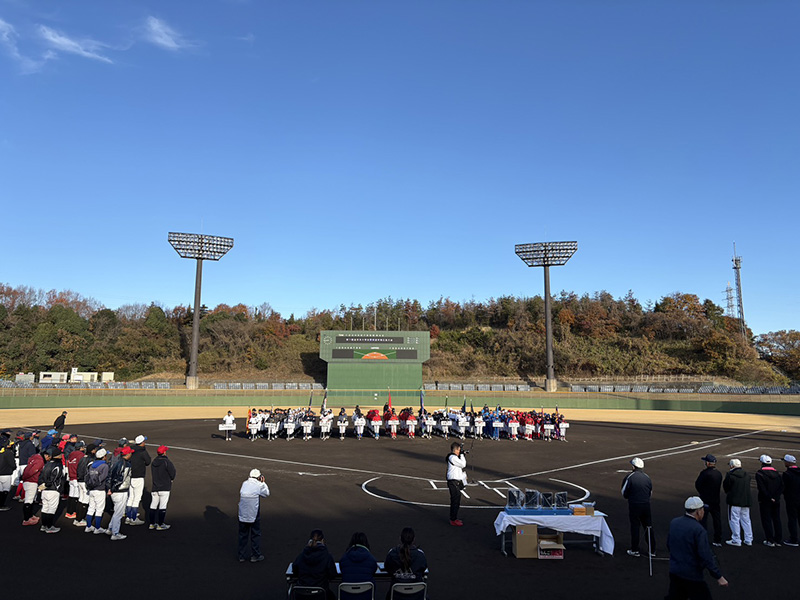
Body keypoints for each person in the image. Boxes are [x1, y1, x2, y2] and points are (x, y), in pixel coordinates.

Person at [665, 496, 729, 599]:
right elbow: (705, 555)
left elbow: (669, 544)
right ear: (698, 511)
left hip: (675, 571)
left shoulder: (674, 522)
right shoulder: (699, 530)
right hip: (692, 575)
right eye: (703, 509)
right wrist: (718, 576)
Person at [621, 457, 655, 557]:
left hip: (634, 505)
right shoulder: (647, 477)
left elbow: (624, 492)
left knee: (635, 526)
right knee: (648, 526)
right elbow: (650, 492)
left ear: (633, 467)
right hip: (646, 505)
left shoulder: (630, 477)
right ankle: (652, 550)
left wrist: (629, 497)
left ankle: (635, 549)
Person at [292, 529, 337, 599]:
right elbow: (332, 574)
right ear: (322, 541)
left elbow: (295, 569)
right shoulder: (327, 556)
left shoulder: (301, 555)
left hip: (301, 593)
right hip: (320, 593)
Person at [384, 527, 427, 600]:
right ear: (414, 540)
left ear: (400, 539)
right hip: (417, 596)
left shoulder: (392, 553)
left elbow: (387, 568)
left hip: (396, 596)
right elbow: (423, 569)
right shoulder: (420, 555)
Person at [238, 468, 270, 562]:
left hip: (242, 514)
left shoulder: (244, 483)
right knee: (255, 534)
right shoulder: (259, 485)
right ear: (259, 477)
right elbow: (266, 494)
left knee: (243, 535)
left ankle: (241, 556)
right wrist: (263, 483)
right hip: (254, 514)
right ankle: (255, 555)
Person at [339, 531, 378, 600]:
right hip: (366, 596)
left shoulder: (344, 558)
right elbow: (373, 571)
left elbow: (342, 570)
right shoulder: (371, 559)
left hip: (346, 596)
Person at [694, 453, 722, 547]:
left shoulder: (705, 473)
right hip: (716, 500)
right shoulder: (718, 473)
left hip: (705, 500)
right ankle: (718, 539)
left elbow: (698, 484)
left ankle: (703, 539)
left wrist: (702, 493)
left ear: (708, 463)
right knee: (717, 520)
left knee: (703, 520)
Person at [723, 458, 753, 546]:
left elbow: (726, 487)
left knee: (734, 520)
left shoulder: (730, 475)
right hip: (746, 500)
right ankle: (748, 539)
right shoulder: (747, 475)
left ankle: (736, 539)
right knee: (746, 520)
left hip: (734, 501)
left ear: (732, 466)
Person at [755, 454, 783, 546]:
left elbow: (762, 488)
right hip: (776, 500)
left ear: (762, 463)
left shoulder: (759, 474)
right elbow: (781, 487)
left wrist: (769, 497)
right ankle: (778, 540)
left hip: (765, 500)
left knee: (766, 520)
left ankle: (770, 540)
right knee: (776, 519)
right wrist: (775, 497)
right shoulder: (777, 474)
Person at [107, 445, 133, 540]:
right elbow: (121, 479)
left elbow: (110, 476)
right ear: (128, 454)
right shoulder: (126, 465)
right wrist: (115, 488)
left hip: (115, 491)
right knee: (119, 513)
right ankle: (115, 533)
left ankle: (110, 528)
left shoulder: (117, 462)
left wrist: (110, 488)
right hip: (120, 491)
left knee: (116, 512)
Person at [149, 445, 176, 530]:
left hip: (155, 487)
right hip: (164, 487)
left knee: (153, 505)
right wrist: (171, 479)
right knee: (162, 506)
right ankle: (160, 524)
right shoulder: (166, 462)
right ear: (164, 452)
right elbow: (173, 472)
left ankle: (152, 524)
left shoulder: (154, 462)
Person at [38, 446, 63, 533]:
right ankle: (49, 527)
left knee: (45, 508)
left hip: (45, 491)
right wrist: (47, 484)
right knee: (51, 509)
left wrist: (42, 486)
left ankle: (44, 526)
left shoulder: (47, 464)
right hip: (53, 490)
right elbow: (54, 478)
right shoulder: (58, 465)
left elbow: (41, 477)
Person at [85, 447, 110, 534]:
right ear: (103, 457)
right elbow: (104, 478)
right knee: (99, 509)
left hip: (91, 489)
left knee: (91, 507)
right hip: (100, 490)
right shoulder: (104, 466)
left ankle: (88, 526)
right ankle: (97, 528)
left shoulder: (92, 465)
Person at [126, 434, 150, 525]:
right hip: (139, 477)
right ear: (142, 443)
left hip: (130, 476)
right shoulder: (143, 452)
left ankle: (128, 517)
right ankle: (133, 518)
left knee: (131, 497)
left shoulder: (131, 450)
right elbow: (148, 462)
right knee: (136, 498)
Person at [446, 441, 467, 526]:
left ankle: (454, 518)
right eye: (459, 450)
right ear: (455, 450)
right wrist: (462, 455)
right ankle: (453, 519)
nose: (459, 451)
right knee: (455, 500)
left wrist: (463, 476)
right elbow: (463, 464)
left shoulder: (454, 458)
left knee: (457, 500)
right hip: (453, 482)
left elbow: (459, 469)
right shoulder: (452, 457)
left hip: (456, 482)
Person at [782, 454, 800, 547]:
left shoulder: (787, 474)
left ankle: (794, 539)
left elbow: (783, 488)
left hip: (792, 500)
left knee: (792, 519)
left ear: (788, 463)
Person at [0, 434, 15, 510]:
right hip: (6, 473)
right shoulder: (8, 453)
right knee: (5, 490)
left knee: (0, 490)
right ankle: (2, 505)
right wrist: (13, 468)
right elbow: (12, 464)